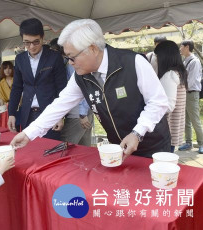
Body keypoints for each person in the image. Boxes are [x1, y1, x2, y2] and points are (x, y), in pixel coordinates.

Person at [10, 19, 171, 159]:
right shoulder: (81, 76)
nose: (70, 63)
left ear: (93, 48)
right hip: (119, 147)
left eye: (72, 57)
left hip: (153, 147)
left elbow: (158, 102)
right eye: (67, 58)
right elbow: (59, 105)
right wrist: (28, 133)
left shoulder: (133, 63)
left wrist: (137, 133)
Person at [8, 18, 67, 140]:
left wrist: (60, 116)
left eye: (36, 42)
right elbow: (17, 87)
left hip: (49, 114)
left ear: (43, 37)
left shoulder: (54, 57)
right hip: (27, 114)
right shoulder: (20, 59)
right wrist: (12, 113)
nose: (31, 46)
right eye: (27, 42)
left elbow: (61, 88)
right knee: (29, 150)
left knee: (50, 150)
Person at [50, 38, 93, 146]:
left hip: (78, 114)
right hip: (84, 111)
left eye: (52, 51)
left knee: (64, 146)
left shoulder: (70, 65)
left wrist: (82, 114)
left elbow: (84, 87)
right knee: (84, 148)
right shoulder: (66, 64)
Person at [155, 40, 188, 153]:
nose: (156, 60)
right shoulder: (180, 72)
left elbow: (168, 106)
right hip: (174, 127)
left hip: (167, 130)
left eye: (157, 56)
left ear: (164, 57)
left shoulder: (169, 75)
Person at [178, 40, 203, 153]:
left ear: (187, 47)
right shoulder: (185, 61)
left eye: (181, 46)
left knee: (195, 120)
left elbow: (191, 81)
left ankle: (201, 143)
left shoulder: (194, 61)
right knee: (186, 120)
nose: (180, 49)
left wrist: (180, 87)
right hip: (185, 93)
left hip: (192, 93)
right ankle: (188, 142)